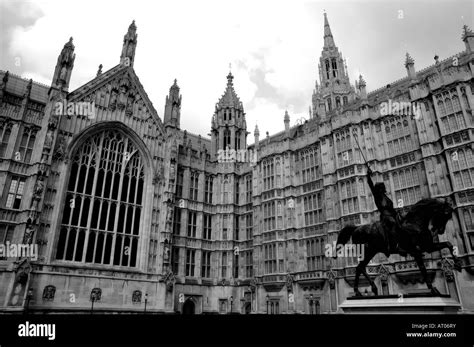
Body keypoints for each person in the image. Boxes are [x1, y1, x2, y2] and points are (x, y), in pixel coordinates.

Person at [366, 165, 401, 254]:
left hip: (392, 214)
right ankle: (392, 245)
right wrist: (368, 175)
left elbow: (391, 207)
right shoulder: (377, 196)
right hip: (386, 216)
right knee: (392, 223)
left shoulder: (385, 197)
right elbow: (370, 184)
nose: (383, 189)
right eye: (381, 187)